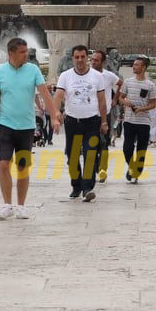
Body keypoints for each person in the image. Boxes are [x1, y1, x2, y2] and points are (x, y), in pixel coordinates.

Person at [0, 37, 61, 220]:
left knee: (22, 167)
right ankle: (7, 204)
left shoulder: (33, 70)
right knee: (3, 164)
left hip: (26, 126)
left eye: (26, 51)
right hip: (5, 124)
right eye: (22, 52)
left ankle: (20, 206)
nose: (26, 55)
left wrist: (54, 117)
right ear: (11, 53)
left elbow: (45, 94)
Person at [53, 45, 108, 202]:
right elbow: (58, 96)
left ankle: (87, 188)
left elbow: (102, 101)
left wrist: (104, 121)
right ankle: (76, 185)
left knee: (90, 154)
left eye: (83, 57)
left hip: (92, 121)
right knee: (72, 156)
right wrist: (56, 113)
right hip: (72, 121)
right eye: (77, 57)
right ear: (73, 59)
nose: (80, 60)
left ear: (87, 58)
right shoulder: (65, 76)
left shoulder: (97, 76)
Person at [117, 56, 156, 183]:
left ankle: (136, 172)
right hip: (129, 120)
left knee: (141, 149)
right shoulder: (128, 82)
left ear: (144, 67)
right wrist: (126, 102)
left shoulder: (150, 85)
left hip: (143, 122)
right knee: (127, 148)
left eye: (137, 65)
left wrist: (141, 109)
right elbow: (120, 98)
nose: (134, 66)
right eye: (134, 64)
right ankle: (132, 167)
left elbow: (153, 104)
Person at [91, 49, 122, 181]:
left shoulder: (109, 76)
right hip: (90, 115)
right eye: (92, 59)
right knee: (91, 144)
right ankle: (93, 169)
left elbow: (121, 84)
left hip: (105, 114)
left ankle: (102, 170)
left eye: (96, 60)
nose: (93, 62)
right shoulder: (88, 74)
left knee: (104, 143)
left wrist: (115, 99)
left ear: (103, 62)